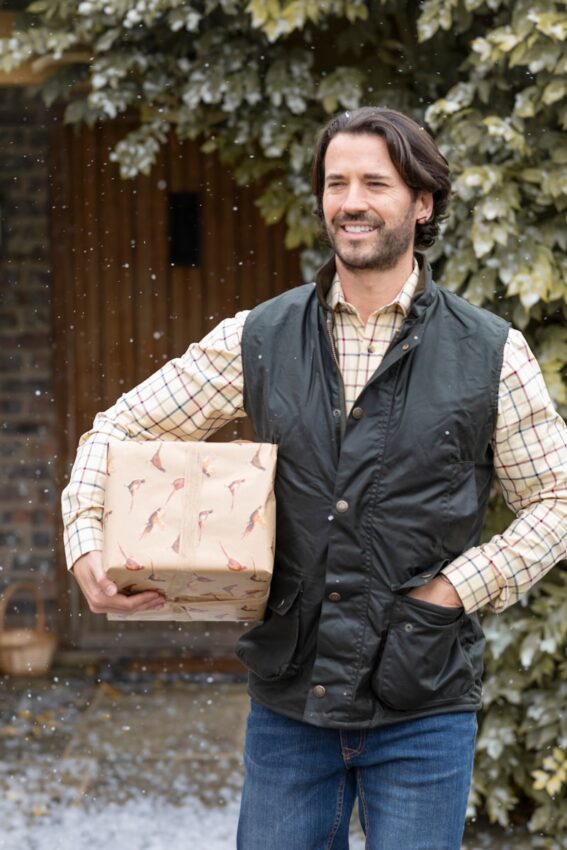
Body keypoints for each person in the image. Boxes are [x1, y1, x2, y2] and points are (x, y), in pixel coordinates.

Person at [62, 107, 567, 850]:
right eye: (336, 183)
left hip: (422, 704)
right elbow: (117, 429)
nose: (351, 201)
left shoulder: (490, 351)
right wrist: (84, 542)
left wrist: (451, 591)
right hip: (289, 706)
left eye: (374, 182)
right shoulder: (258, 337)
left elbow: (555, 501)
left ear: (421, 203)